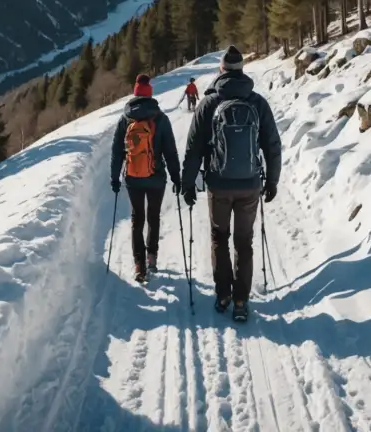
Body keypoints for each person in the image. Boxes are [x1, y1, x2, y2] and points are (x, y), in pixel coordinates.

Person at [181, 46, 281, 322]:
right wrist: (272, 180)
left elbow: (193, 148)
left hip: (219, 184)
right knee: (244, 242)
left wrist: (187, 183)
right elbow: (272, 145)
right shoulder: (257, 102)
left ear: (221, 70)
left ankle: (223, 293)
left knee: (219, 237)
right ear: (242, 70)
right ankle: (241, 300)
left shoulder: (209, 103)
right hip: (249, 185)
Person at [111, 74, 181, 282]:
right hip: (156, 177)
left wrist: (115, 178)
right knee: (153, 217)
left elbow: (117, 152)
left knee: (137, 219)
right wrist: (177, 178)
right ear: (150, 94)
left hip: (133, 178)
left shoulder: (125, 119)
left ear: (134, 93)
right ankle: (152, 257)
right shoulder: (160, 118)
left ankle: (138, 265)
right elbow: (170, 151)